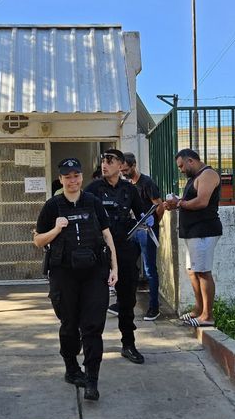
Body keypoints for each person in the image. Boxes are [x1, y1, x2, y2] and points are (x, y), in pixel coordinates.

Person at [34, 157, 118, 401]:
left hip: (94, 273)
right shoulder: (52, 206)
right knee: (70, 326)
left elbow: (107, 234)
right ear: (61, 179)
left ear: (82, 177)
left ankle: (92, 380)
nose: (73, 180)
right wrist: (56, 229)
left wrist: (115, 268)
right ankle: (72, 369)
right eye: (67, 176)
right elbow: (38, 240)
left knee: (93, 326)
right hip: (64, 274)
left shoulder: (93, 202)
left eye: (76, 175)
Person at [84, 148, 149, 364]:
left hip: (124, 250)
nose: (105, 164)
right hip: (99, 252)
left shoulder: (129, 191)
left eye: (110, 161)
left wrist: (147, 221)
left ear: (120, 165)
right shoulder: (93, 189)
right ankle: (87, 343)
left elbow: (142, 213)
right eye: (103, 160)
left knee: (126, 300)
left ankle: (128, 344)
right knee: (93, 301)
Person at [163, 149, 222, 327]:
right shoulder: (194, 178)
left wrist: (179, 203)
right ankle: (198, 309)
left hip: (204, 230)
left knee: (203, 272)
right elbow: (190, 201)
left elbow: (202, 201)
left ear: (191, 161)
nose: (180, 169)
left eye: (181, 165)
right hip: (193, 232)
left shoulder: (208, 174)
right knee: (193, 271)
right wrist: (177, 203)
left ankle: (207, 316)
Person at [121, 152, 164, 321]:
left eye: (126, 170)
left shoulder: (147, 183)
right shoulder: (127, 185)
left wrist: (152, 224)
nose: (124, 173)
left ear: (134, 165)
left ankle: (154, 307)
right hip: (133, 230)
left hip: (147, 231)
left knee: (149, 270)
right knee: (128, 266)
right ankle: (124, 302)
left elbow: (159, 206)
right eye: (122, 171)